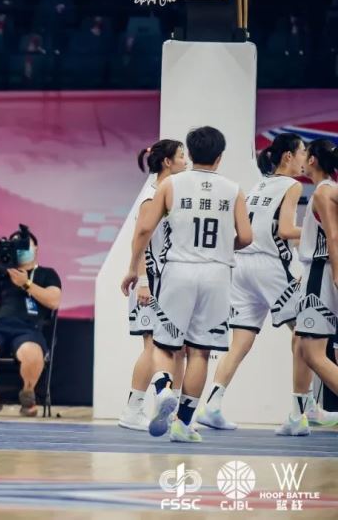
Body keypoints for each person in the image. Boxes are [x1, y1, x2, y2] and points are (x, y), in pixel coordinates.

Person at [197, 133, 338, 435]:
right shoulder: (293, 185)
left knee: (240, 342)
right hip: (270, 266)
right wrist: (313, 229)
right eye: (301, 151)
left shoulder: (259, 184)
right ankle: (303, 409)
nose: (304, 157)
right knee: (305, 334)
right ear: (289, 156)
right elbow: (285, 230)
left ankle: (212, 405)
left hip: (242, 267)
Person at [122, 126, 253, 443]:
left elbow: (144, 230)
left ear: (190, 154)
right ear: (220, 157)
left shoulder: (171, 185)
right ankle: (182, 422)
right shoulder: (234, 190)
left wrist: (133, 270)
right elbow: (247, 237)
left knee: (164, 345)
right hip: (217, 274)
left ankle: (163, 388)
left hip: (178, 271)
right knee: (200, 352)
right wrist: (221, 249)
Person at [118, 140, 187, 432]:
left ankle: (172, 411)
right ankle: (134, 410)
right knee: (152, 346)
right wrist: (143, 280)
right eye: (181, 156)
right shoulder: (151, 196)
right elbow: (140, 239)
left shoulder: (173, 193)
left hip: (171, 282)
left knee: (178, 348)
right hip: (151, 282)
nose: (186, 161)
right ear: (167, 162)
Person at [0, 227, 61, 417]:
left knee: (30, 352)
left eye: (25, 246)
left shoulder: (47, 274)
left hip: (29, 329)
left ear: (36, 248)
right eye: (16, 246)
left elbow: (54, 300)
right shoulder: (1, 273)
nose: (21, 250)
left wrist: (26, 283)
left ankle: (28, 396)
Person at [293, 139, 338, 433]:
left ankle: (303, 413)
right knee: (301, 344)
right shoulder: (330, 189)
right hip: (319, 272)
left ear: (312, 160)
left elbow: (333, 236)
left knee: (313, 353)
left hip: (321, 273)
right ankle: (300, 414)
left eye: (305, 153)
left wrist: (336, 275)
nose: (302, 159)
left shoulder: (323, 191)